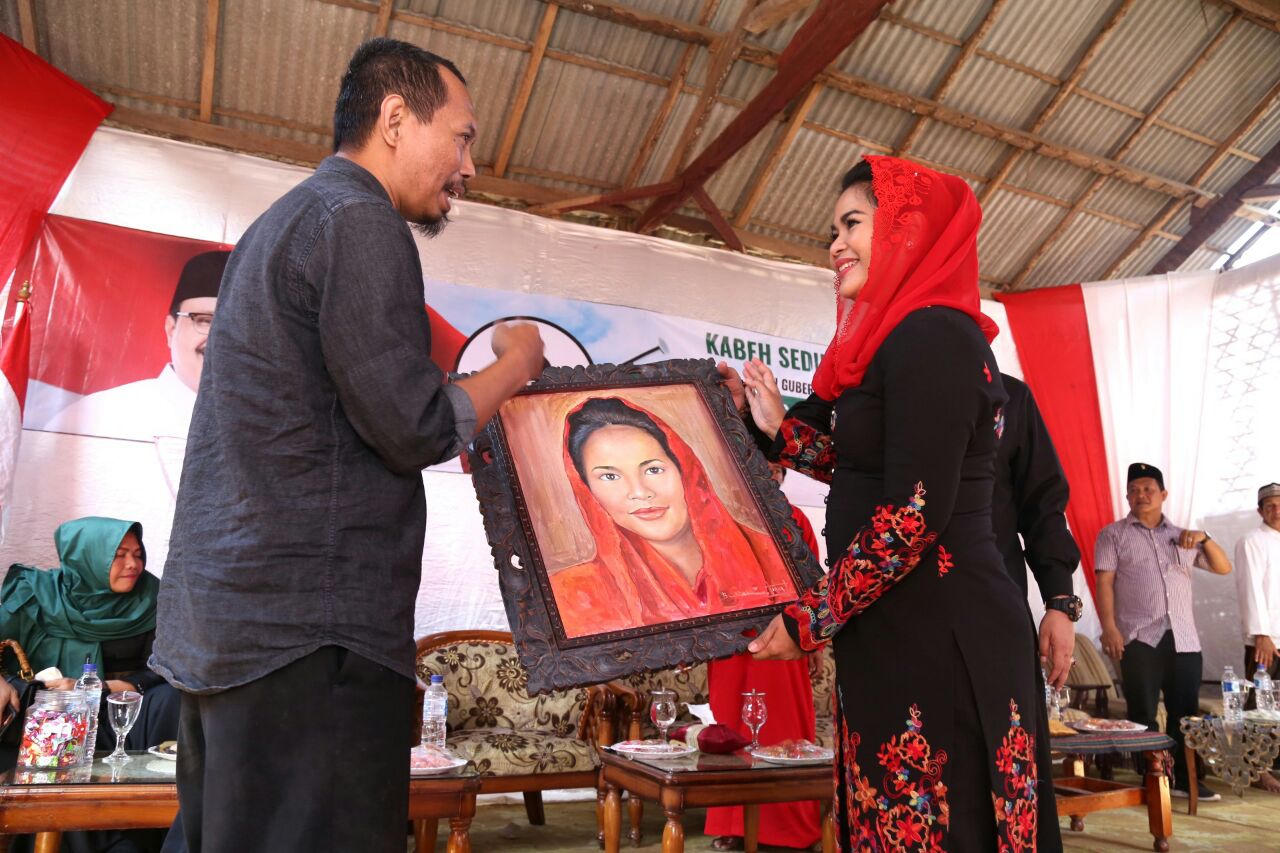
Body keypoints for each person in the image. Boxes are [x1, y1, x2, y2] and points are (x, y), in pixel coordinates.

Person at [149, 39, 544, 853]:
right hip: (308, 639)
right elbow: (415, 424)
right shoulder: (359, 220)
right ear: (395, 120)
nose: (469, 167)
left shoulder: (281, 223)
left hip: (231, 632)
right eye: (462, 137)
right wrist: (515, 365)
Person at [731, 155, 1047, 850]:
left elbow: (912, 515)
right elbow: (858, 461)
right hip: (896, 622)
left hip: (944, 631)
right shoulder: (886, 343)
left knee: (946, 824)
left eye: (852, 224)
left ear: (909, 229)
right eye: (832, 231)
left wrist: (809, 618)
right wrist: (771, 425)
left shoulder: (933, 334)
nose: (835, 244)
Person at [1, 517, 181, 853]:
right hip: (49, 720)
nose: (133, 564)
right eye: (119, 555)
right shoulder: (33, 594)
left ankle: (151, 827)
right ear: (87, 557)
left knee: (173, 698)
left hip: (121, 711)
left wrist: (106, 687)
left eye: (138, 554)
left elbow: (165, 663)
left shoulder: (151, 597)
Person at [550, 397, 794, 638]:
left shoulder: (770, 555)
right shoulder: (573, 595)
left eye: (653, 470)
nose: (640, 492)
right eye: (609, 477)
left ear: (685, 469)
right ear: (587, 490)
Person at [1094, 462, 1231, 801]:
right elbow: (1105, 582)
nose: (1141, 495)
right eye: (1135, 490)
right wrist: (1109, 628)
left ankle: (1186, 781)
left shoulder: (1184, 537)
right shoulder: (1113, 534)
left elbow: (1223, 567)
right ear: (1127, 496)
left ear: (1163, 494)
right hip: (1138, 636)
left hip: (1184, 637)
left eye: (1148, 489)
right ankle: (1152, 782)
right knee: (1142, 714)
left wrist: (1206, 537)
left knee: (1185, 714)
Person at [705, 462, 822, 851]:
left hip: (782, 643)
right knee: (729, 730)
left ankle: (788, 829)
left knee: (784, 731)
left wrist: (813, 641)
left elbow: (811, 590)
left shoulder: (797, 520)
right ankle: (732, 824)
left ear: (778, 474)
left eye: (771, 471)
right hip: (730, 646)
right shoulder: (716, 518)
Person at [994, 372, 1081, 846]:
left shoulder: (1009, 398)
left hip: (995, 610)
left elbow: (1043, 506)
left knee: (1010, 768)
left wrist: (1060, 603)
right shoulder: (878, 385)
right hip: (900, 624)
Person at [44, 251, 229, 441]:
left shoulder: (258, 426)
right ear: (171, 329)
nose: (223, 339)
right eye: (205, 320)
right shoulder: (96, 418)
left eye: (241, 326)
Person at [1234, 482, 1280, 791]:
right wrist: (1262, 635)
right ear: (1260, 510)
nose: (1276, 511)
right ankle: (1258, 769)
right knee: (1259, 705)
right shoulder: (1251, 541)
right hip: (1266, 641)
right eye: (1270, 506)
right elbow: (1249, 589)